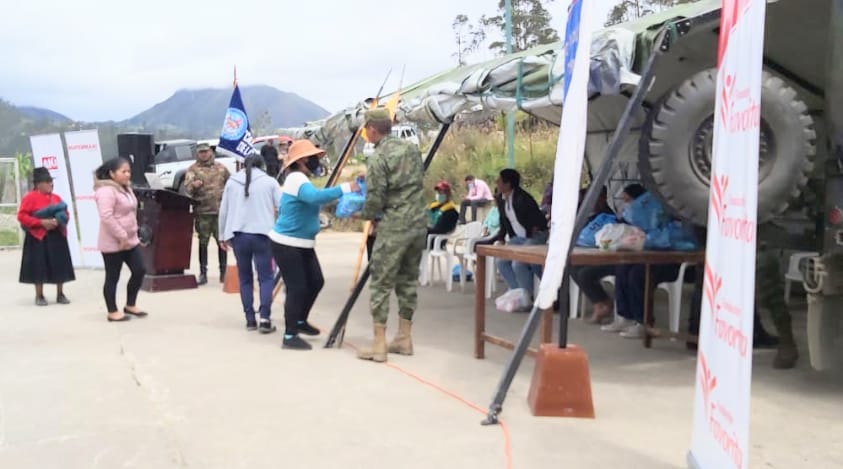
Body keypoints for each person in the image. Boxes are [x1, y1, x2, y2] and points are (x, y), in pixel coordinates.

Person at [270, 140, 359, 350]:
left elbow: (316, 201)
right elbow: (314, 197)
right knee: (297, 288)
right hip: (287, 244)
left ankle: (300, 320)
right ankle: (290, 335)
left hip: (302, 244)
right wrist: (346, 188)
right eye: (314, 158)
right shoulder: (295, 178)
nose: (316, 161)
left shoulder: (302, 178)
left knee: (316, 282)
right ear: (302, 160)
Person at [356, 108, 427, 363]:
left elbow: (375, 197)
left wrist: (366, 215)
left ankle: (378, 345)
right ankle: (404, 338)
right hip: (418, 222)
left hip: (394, 223)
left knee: (381, 283)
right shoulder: (410, 149)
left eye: (366, 129)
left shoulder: (378, 157)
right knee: (408, 279)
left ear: (372, 129)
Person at [601, 184, 683, 338]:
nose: (627, 205)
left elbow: (670, 239)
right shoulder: (641, 217)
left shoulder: (670, 216)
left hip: (669, 262)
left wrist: (649, 240)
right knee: (622, 268)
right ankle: (625, 317)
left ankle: (643, 322)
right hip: (648, 258)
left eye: (629, 200)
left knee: (637, 275)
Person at [218, 155, 284, 333]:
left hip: (239, 235)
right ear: (262, 165)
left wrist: (222, 235)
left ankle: (249, 319)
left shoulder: (232, 182)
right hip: (263, 235)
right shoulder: (270, 182)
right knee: (265, 277)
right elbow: (283, 206)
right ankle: (265, 318)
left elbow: (224, 210)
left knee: (245, 278)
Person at [94, 158, 148, 322]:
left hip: (130, 241)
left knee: (139, 270)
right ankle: (112, 311)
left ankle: (130, 304)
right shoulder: (105, 191)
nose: (127, 174)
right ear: (112, 173)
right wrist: (121, 235)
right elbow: (106, 216)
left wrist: (133, 233)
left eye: (128, 171)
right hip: (113, 243)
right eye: (123, 171)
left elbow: (130, 212)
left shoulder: (126, 189)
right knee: (113, 277)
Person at [487, 168, 548, 305]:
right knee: (501, 261)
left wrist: (534, 229)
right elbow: (504, 221)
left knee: (519, 262)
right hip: (518, 238)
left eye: (500, 180)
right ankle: (517, 293)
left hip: (534, 237)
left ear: (508, 184)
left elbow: (540, 220)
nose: (497, 182)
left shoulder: (523, 199)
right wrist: (501, 238)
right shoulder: (501, 199)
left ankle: (527, 298)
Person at [17, 167, 75, 305]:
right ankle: (39, 295)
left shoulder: (56, 198)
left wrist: (57, 221)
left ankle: (60, 294)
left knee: (59, 264)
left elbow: (65, 213)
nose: (51, 184)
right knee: (39, 265)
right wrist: (41, 222)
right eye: (47, 181)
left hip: (56, 235)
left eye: (51, 181)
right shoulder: (30, 198)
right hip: (38, 236)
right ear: (38, 184)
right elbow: (22, 216)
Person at [569, 185, 617, 324]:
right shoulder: (588, 214)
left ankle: (602, 303)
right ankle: (600, 303)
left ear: (601, 198)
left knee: (586, 273)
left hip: (607, 257)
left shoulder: (609, 217)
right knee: (572, 267)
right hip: (588, 254)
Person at [184, 143, 230, 285]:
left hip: (219, 212)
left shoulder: (221, 168)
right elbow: (187, 189)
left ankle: (224, 272)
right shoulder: (193, 170)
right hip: (203, 212)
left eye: (206, 152)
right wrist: (193, 185)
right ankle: (203, 273)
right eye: (201, 152)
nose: (204, 154)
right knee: (203, 243)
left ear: (210, 152)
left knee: (221, 243)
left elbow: (230, 186)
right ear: (197, 154)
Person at [427, 181, 459, 249]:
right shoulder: (434, 207)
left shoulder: (451, 212)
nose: (439, 194)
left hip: (436, 240)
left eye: (441, 192)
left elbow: (440, 230)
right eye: (438, 192)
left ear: (448, 194)